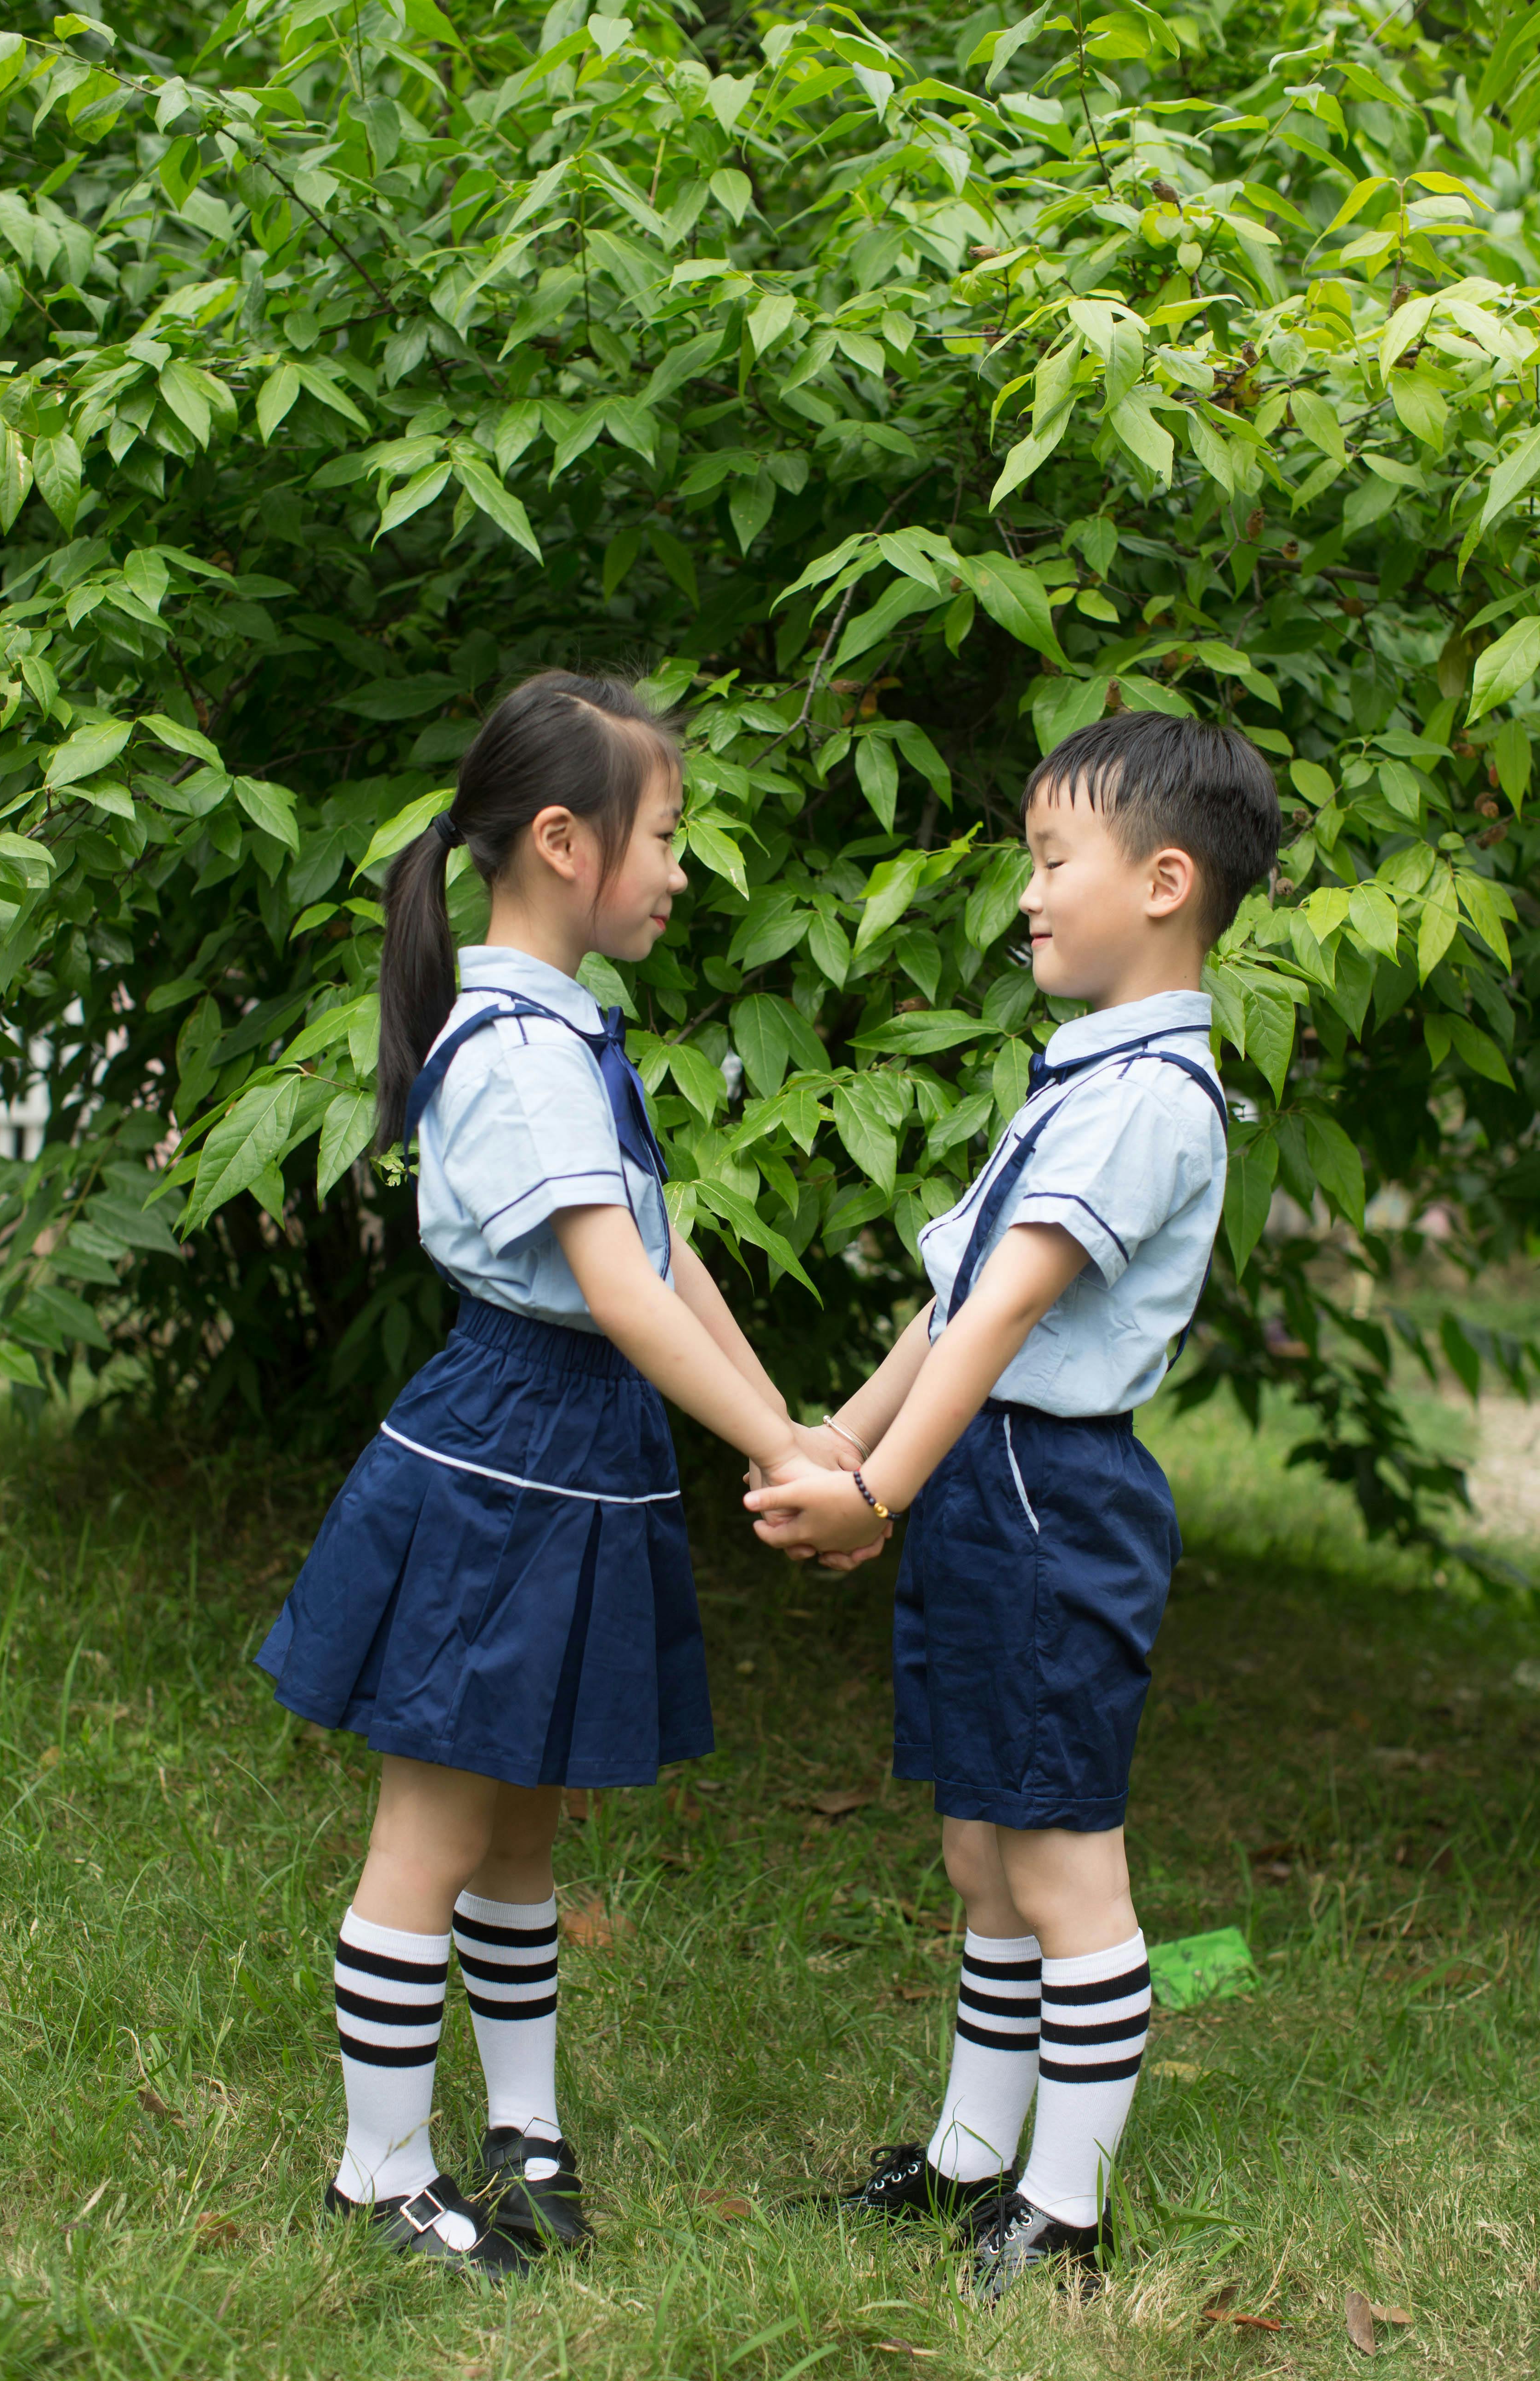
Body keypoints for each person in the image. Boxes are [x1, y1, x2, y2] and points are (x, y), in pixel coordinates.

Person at [257, 671, 849, 2274]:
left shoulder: (570, 1028)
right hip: (509, 1457)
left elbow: (667, 1255)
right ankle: (377, 2176)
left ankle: (523, 2136)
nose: (676, 871)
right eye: (663, 837)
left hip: (577, 1453)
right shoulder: (514, 1048)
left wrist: (799, 1429)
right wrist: (773, 1450)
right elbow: (616, 1289)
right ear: (563, 840)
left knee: (524, 1833)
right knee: (435, 1834)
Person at [748, 711, 1281, 2301]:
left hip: (1051, 1496)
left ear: (1168, 882)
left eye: (1056, 864)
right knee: (984, 1853)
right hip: (990, 1483)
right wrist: (844, 1434)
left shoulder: (1150, 1098)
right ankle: (975, 2159)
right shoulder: (1083, 1075)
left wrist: (876, 1497)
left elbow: (1004, 1319)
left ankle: (1064, 2213)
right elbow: (960, 1291)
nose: (1029, 897)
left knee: (1060, 1866)